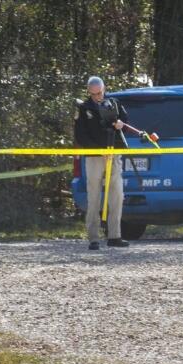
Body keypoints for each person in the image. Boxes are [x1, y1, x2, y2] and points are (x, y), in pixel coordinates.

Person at [74, 76, 130, 250]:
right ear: (89, 92)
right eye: (93, 94)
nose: (97, 97)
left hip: (113, 154)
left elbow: (124, 120)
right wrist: (99, 151)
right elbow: (80, 135)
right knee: (94, 197)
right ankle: (93, 238)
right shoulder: (83, 109)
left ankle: (115, 236)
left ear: (104, 89)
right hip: (95, 157)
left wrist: (121, 123)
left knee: (117, 195)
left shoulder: (114, 103)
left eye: (99, 93)